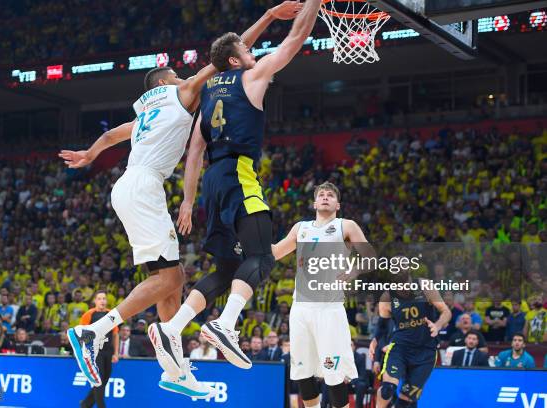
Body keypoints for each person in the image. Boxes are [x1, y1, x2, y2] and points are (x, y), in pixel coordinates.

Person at [62, 2, 301, 396]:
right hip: (144, 187)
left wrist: (88, 155)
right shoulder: (181, 93)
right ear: (164, 83)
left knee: (170, 283)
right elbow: (229, 54)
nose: (182, 77)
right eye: (175, 75)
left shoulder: (142, 115)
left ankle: (174, 370)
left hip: (128, 186)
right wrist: (271, 18)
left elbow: (107, 139)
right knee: (170, 278)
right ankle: (95, 330)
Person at [151, 0, 324, 385]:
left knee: (227, 268)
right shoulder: (251, 77)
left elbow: (194, 151)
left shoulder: (209, 92)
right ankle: (225, 324)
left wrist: (189, 200)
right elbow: (295, 40)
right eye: (247, 51)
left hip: (212, 181)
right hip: (238, 173)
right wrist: (315, 3)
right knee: (262, 258)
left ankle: (172, 327)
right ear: (234, 61)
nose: (253, 52)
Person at [269, 182, 374, 408]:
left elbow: (371, 256)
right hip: (301, 308)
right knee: (302, 372)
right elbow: (276, 252)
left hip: (329, 308)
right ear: (315, 203)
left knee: (333, 374)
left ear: (338, 204)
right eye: (321, 195)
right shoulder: (301, 228)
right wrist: (250, 242)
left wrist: (354, 270)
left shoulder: (346, 226)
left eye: (330, 195)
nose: (325, 197)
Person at [370, 269, 452, 408]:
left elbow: (446, 311)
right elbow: (382, 327)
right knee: (387, 390)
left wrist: (437, 325)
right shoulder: (387, 297)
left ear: (408, 274)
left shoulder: (425, 286)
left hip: (426, 351)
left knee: (406, 401)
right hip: (400, 349)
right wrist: (375, 340)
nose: (402, 290)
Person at [79, 291, 120, 408]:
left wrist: (116, 353)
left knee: (105, 379)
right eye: (99, 298)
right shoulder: (89, 314)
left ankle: (86, 404)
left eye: (104, 298)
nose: (102, 301)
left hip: (108, 351)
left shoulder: (111, 314)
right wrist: (85, 352)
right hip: (95, 352)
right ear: (95, 301)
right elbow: (82, 334)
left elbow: (116, 334)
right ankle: (101, 406)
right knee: (99, 380)